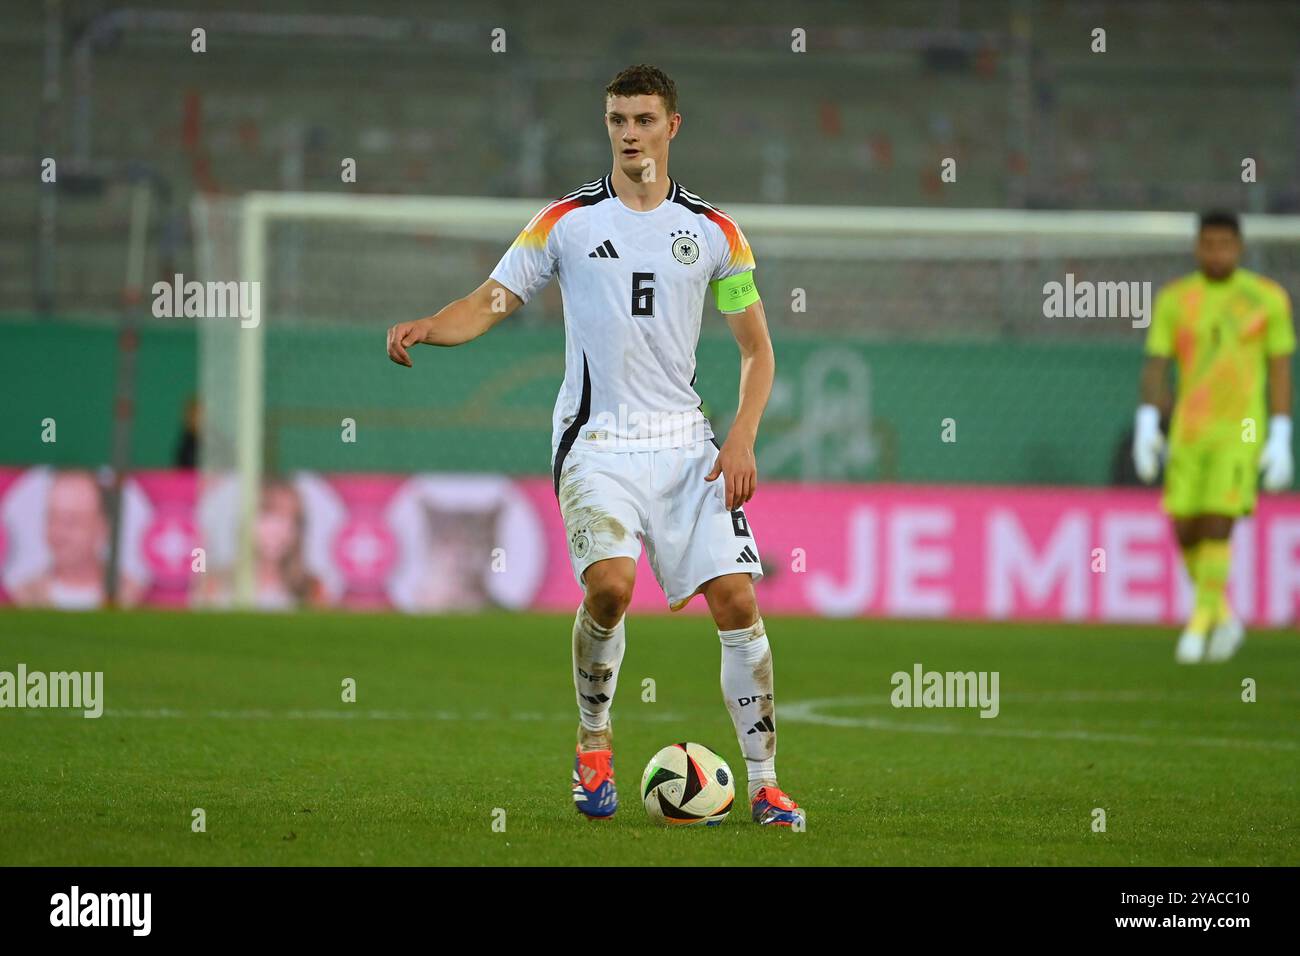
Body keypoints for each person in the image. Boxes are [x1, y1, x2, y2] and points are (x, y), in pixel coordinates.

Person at [386, 65, 802, 826]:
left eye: (644, 119)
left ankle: (768, 783)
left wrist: (741, 435)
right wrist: (429, 327)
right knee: (611, 586)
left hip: (687, 444)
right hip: (597, 442)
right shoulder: (566, 222)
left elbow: (756, 349)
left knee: (738, 601)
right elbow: (491, 301)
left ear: (672, 127)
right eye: (617, 120)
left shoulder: (715, 234)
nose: (630, 134)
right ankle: (593, 742)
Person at [1132, 210, 1294, 663]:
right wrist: (1147, 423)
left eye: (1225, 244)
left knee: (1219, 519)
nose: (1216, 252)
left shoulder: (1266, 299)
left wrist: (1281, 434)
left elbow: (1280, 368)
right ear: (1196, 246)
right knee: (1185, 526)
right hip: (1189, 429)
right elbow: (1156, 364)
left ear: (1238, 248)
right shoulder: (1175, 299)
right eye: (1208, 243)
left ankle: (1198, 626)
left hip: (1240, 429)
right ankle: (1223, 615)